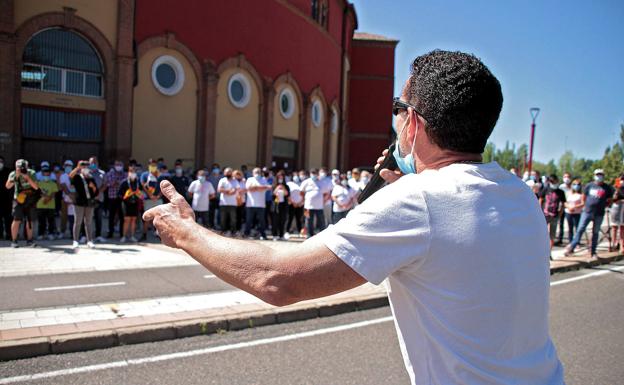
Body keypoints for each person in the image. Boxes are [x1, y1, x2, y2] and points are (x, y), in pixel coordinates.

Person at [144, 50, 563, 384]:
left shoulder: (418, 200)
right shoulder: (519, 193)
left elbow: (276, 280)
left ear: (413, 123)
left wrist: (184, 231)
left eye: (399, 107)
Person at [565, 169, 614, 259]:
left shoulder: (607, 188)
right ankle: (572, 247)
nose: (599, 176)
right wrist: (585, 206)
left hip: (599, 213)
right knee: (580, 229)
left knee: (595, 232)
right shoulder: (589, 186)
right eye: (597, 174)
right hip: (587, 212)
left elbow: (610, 200)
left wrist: (604, 204)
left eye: (601, 175)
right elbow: (584, 197)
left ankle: (593, 251)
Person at [6, 159, 40, 247]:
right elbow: (8, 186)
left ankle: (29, 240)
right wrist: (16, 177)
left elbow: (36, 187)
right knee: (17, 220)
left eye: (23, 167)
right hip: (18, 199)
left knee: (29, 220)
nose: (22, 169)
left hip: (30, 199)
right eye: (19, 168)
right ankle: (14, 241)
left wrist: (27, 178)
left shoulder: (31, 173)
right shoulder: (13, 173)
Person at [69, 161, 98, 249]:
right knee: (78, 222)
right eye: (84, 167)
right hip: (79, 203)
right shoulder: (77, 177)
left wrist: (93, 187)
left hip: (89, 202)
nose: (85, 168)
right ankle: (75, 241)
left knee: (88, 222)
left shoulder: (91, 178)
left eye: (87, 167)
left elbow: (96, 192)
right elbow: (70, 176)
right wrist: (77, 168)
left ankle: (90, 241)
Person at [539, 174, 566, 253]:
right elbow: (540, 199)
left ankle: (548, 252)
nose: (553, 183)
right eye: (552, 181)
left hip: (554, 215)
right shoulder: (546, 189)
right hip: (545, 215)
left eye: (554, 181)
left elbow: (563, 204)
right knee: (542, 234)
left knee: (552, 236)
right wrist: (539, 212)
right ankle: (541, 251)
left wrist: (559, 215)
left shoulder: (560, 192)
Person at [244, 167, 271, 240]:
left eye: (258, 172)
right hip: (250, 204)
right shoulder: (250, 179)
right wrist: (260, 188)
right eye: (256, 172)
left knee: (262, 221)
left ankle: (263, 235)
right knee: (249, 220)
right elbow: (248, 188)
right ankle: (246, 234)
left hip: (261, 205)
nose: (257, 174)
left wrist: (255, 187)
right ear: (253, 173)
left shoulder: (263, 179)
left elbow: (268, 187)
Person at [118, 166, 143, 243]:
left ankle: (132, 236)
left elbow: (141, 192)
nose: (133, 173)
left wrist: (139, 194)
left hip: (135, 203)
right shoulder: (124, 182)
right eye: (131, 172)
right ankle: (124, 236)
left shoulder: (138, 182)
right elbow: (119, 194)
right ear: (128, 173)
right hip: (126, 203)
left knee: (133, 220)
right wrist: (126, 195)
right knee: (126, 220)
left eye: (134, 172)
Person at [35, 164, 58, 240]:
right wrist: (44, 198)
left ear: (50, 173)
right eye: (44, 172)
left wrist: (48, 199)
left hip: (50, 205)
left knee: (51, 220)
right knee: (41, 221)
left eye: (47, 172)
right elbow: (38, 192)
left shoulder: (53, 183)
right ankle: (41, 234)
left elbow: (54, 193)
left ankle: (50, 233)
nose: (46, 173)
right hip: (40, 205)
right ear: (42, 173)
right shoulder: (38, 183)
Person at [299, 169, 325, 237]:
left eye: (315, 173)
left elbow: (326, 192)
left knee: (321, 221)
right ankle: (309, 235)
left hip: (319, 206)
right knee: (308, 221)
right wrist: (305, 199)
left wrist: (323, 200)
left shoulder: (321, 182)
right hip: (307, 206)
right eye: (312, 173)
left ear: (317, 174)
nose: (313, 175)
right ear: (310, 174)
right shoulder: (306, 182)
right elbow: (301, 192)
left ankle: (322, 235)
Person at [140, 161, 162, 240]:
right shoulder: (144, 174)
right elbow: (143, 185)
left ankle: (159, 235)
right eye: (151, 165)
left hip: (158, 199)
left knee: (159, 217)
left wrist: (158, 196)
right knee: (147, 217)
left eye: (154, 165)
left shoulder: (160, 174)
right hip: (148, 199)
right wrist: (150, 195)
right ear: (148, 166)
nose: (153, 166)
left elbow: (162, 185)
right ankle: (144, 234)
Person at [105, 160, 126, 238]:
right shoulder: (110, 173)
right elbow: (108, 184)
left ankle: (122, 233)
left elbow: (124, 184)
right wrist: (115, 182)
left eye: (120, 165)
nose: (118, 166)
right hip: (112, 197)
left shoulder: (124, 174)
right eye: (117, 165)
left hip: (121, 198)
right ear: (114, 165)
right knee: (111, 216)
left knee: (121, 216)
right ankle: (110, 232)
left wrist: (117, 183)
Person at [88, 157, 106, 242]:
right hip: (88, 199)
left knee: (98, 218)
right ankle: (85, 236)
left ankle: (98, 235)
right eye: (91, 162)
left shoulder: (102, 173)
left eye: (95, 162)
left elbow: (105, 185)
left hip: (99, 198)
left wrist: (98, 193)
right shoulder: (86, 173)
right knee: (87, 218)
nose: (93, 164)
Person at [216, 168, 239, 236]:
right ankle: (223, 231)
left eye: (229, 172)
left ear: (231, 173)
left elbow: (237, 189)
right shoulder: (222, 180)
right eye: (226, 172)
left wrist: (229, 191)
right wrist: (228, 191)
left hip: (233, 203)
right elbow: (219, 189)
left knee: (233, 219)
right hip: (223, 203)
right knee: (223, 219)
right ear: (224, 173)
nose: (227, 174)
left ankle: (233, 232)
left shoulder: (235, 181)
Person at [271, 170, 290, 240]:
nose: (281, 178)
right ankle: (274, 235)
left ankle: (281, 235)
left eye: (282, 177)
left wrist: (283, 187)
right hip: (276, 205)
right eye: (279, 177)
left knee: (282, 220)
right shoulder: (274, 185)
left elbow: (287, 194)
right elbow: (273, 194)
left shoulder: (286, 186)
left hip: (284, 205)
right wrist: (277, 187)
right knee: (275, 220)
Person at [58, 160, 76, 238]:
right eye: (66, 165)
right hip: (65, 199)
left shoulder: (76, 175)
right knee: (64, 217)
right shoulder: (63, 176)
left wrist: (73, 198)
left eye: (69, 165)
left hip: (74, 199)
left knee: (73, 217)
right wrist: (69, 196)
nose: (68, 166)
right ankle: (62, 232)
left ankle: (73, 233)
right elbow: (64, 187)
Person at [564, 179, 584, 244]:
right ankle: (570, 241)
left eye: (578, 184)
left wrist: (574, 207)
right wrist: (569, 207)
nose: (576, 186)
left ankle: (577, 242)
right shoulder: (568, 193)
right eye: (574, 184)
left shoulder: (581, 195)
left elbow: (583, 203)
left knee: (577, 228)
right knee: (570, 228)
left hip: (577, 213)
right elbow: (565, 202)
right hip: (568, 212)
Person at [286, 173, 304, 238]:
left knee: (299, 219)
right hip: (292, 204)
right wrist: (293, 203)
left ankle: (300, 232)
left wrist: (300, 203)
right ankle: (286, 231)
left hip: (300, 205)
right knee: (289, 218)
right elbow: (288, 195)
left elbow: (303, 194)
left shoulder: (302, 184)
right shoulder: (289, 184)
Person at [609, 174, 624, 253]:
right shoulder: (615, 188)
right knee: (614, 227)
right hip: (616, 208)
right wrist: (617, 188)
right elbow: (613, 199)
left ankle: (622, 245)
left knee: (622, 228)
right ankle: (613, 244)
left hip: (623, 208)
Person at [0, 156, 14, 240]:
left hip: (7, 199)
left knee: (8, 218)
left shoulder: (8, 172)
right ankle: (0, 234)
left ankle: (9, 234)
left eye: (1, 161)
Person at [556, 172, 572, 244]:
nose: (567, 178)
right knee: (561, 224)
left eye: (568, 177)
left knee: (570, 225)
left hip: (570, 208)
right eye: (565, 177)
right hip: (562, 207)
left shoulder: (573, 187)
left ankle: (571, 240)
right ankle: (560, 239)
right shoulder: (561, 187)